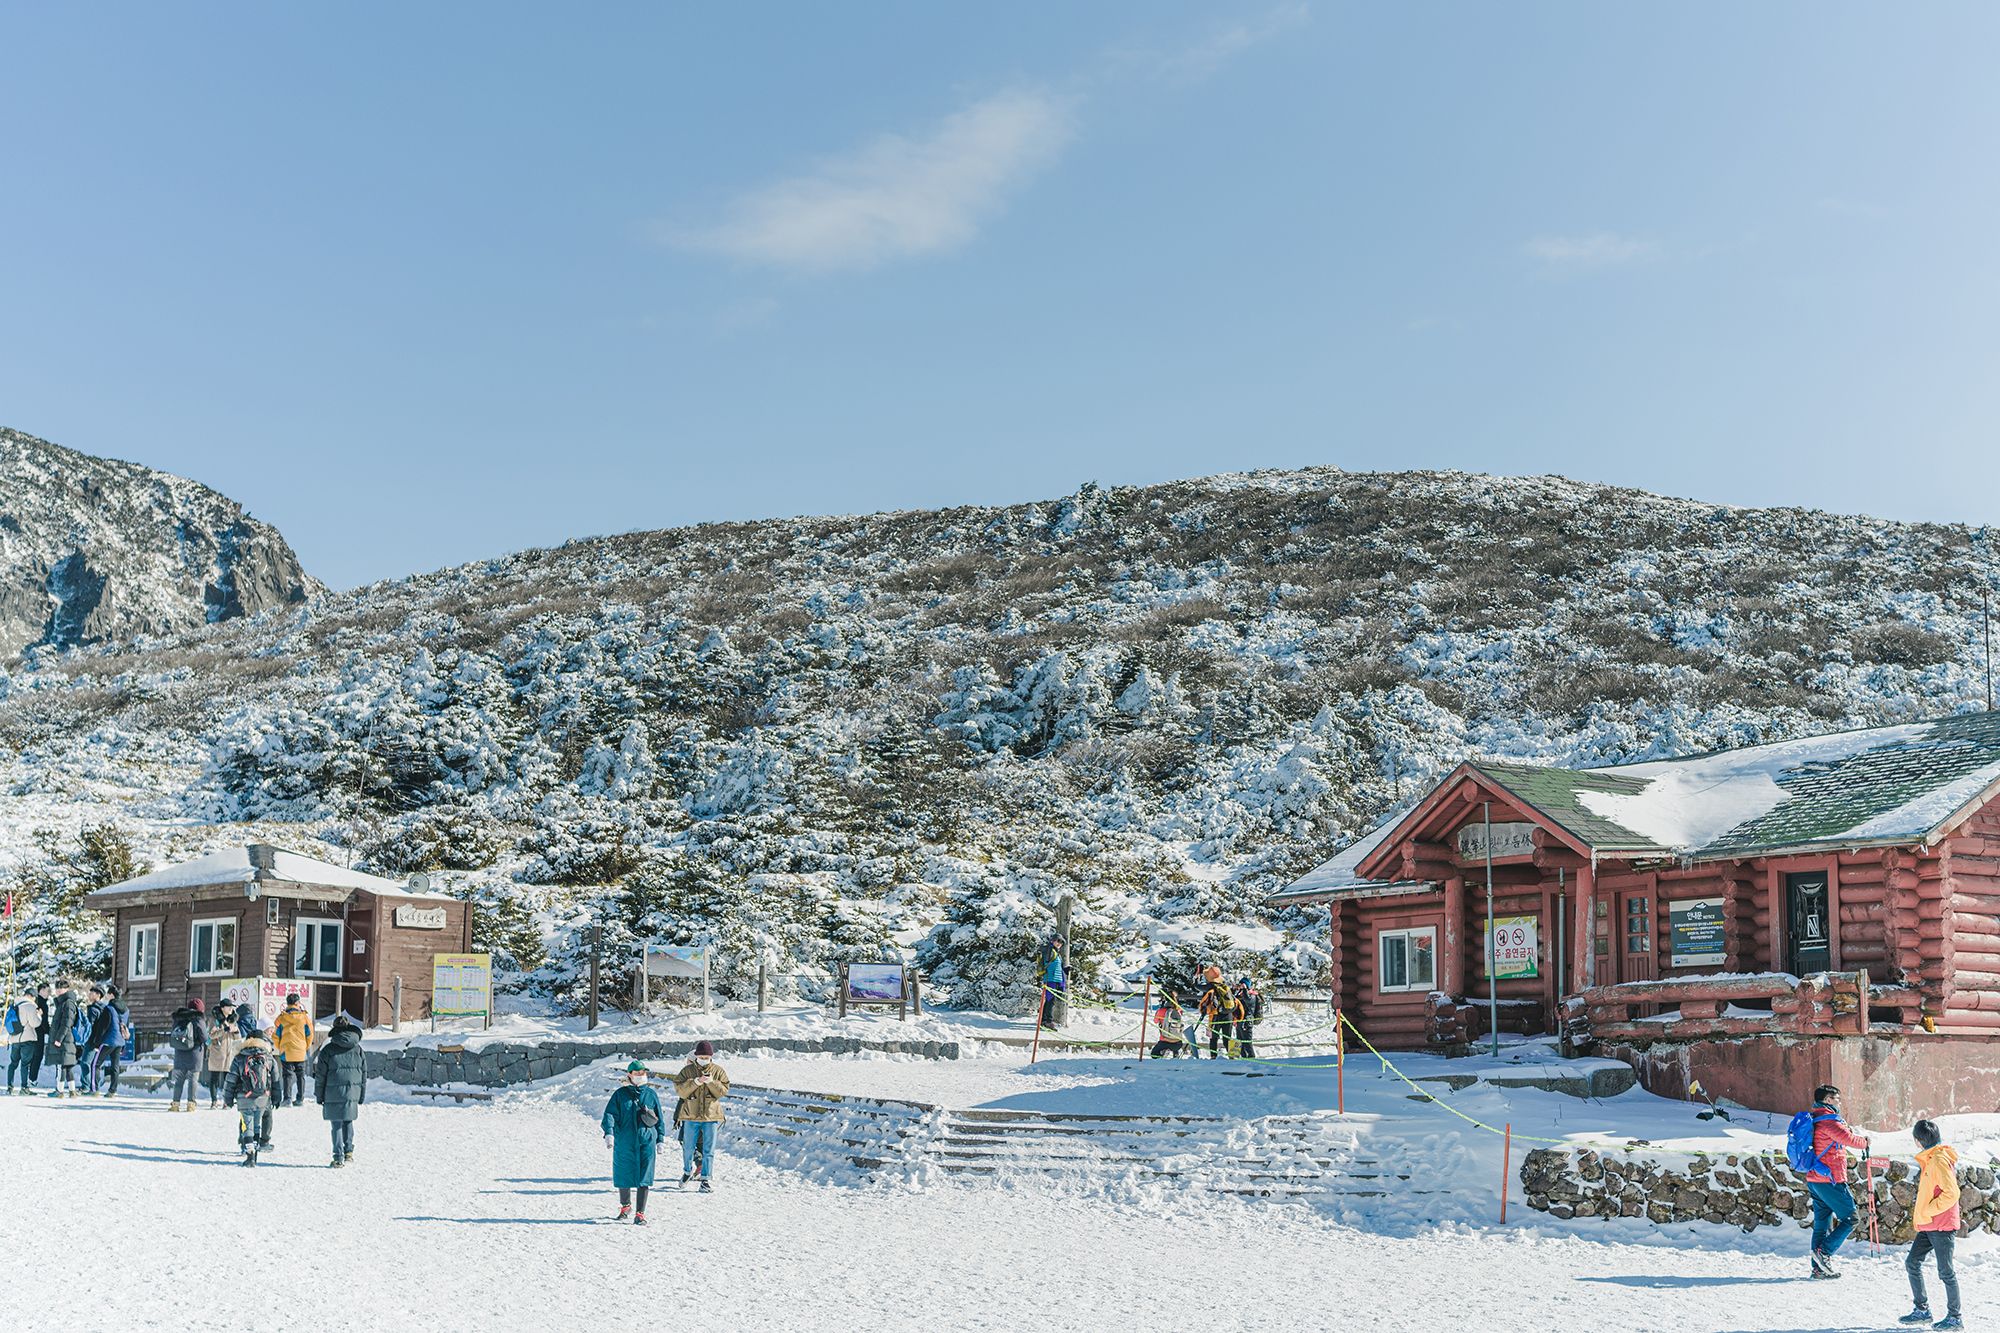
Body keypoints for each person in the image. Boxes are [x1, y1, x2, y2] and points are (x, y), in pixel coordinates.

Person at [1801, 1083, 1870, 1278]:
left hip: (1815, 1179)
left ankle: (1818, 1269)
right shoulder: (1829, 1121)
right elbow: (1849, 1140)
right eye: (1838, 1099)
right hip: (1830, 1180)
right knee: (1851, 1218)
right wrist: (1865, 1142)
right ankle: (1825, 1253)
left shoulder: (1816, 1118)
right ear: (1828, 1100)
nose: (1840, 1102)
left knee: (1822, 1224)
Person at [1900, 1118, 1964, 1328]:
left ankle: (1955, 1318)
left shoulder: (1937, 1160)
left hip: (1942, 1225)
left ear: (1918, 1141)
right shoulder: (1932, 1158)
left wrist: (1928, 1210)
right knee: (1912, 1263)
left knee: (1945, 1271)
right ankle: (1922, 1310)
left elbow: (1951, 1193)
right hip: (1930, 1225)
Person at [602, 1061, 664, 1223]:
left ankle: (640, 1214)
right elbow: (610, 1115)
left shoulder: (651, 1094)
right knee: (624, 1174)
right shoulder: (620, 1094)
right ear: (629, 1074)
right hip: (625, 1142)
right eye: (637, 1073)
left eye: (643, 1072)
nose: (641, 1075)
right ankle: (625, 1206)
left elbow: (659, 1118)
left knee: (645, 1176)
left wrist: (660, 1139)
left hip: (646, 1141)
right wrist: (609, 1132)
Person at [673, 1040, 730, 1192]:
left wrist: (711, 1082)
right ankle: (686, 1172)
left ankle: (705, 1180)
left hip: (711, 1116)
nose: (704, 1059)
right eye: (701, 1056)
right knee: (688, 1147)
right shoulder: (687, 1071)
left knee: (709, 1149)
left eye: (707, 1056)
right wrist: (696, 1082)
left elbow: (723, 1091)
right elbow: (680, 1090)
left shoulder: (718, 1071)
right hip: (691, 1115)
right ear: (696, 1056)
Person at [314, 1014, 366, 1167]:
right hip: (352, 1092)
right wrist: (361, 1095)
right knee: (348, 1121)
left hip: (332, 1092)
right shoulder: (358, 1049)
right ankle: (348, 1152)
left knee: (336, 1124)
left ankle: (338, 1157)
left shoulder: (327, 1050)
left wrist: (319, 1096)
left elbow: (320, 1076)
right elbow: (364, 1074)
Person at [223, 1025, 279, 1166]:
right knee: (257, 1125)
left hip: (244, 1097)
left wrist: (227, 1099)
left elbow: (231, 1080)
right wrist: (277, 1097)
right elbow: (276, 1080)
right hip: (263, 1097)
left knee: (247, 1126)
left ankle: (250, 1157)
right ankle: (256, 1153)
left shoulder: (239, 1057)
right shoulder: (268, 1057)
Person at [270, 993, 314, 1107]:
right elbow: (310, 1034)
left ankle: (287, 1098)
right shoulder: (304, 1018)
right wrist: (305, 1047)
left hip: (286, 1051)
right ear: (297, 1003)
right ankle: (300, 1099)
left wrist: (281, 1047)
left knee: (287, 1075)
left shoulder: (281, 1018)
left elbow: (275, 1035)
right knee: (301, 1075)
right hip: (300, 1051)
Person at [164, 997, 207, 1111]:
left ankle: (175, 1104)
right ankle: (191, 1104)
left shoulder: (179, 1017)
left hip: (180, 1052)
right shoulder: (198, 1019)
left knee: (179, 1079)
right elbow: (204, 1038)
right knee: (193, 1079)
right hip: (194, 1053)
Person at [46, 978, 81, 1097]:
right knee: (67, 1066)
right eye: (57, 990)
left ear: (66, 990)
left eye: (60, 990)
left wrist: (59, 1038)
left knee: (61, 1065)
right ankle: (72, 1091)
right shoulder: (63, 1003)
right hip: (65, 1039)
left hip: (64, 1039)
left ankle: (59, 1091)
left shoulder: (67, 1003)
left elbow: (67, 1022)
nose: (58, 993)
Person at [203, 1001, 242, 1108]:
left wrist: (236, 1032)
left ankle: (226, 1101)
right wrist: (225, 1029)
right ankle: (214, 1100)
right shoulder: (214, 1020)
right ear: (222, 1008)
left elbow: (238, 1038)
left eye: (232, 1007)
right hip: (217, 1052)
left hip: (229, 1053)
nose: (231, 1009)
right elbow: (211, 1034)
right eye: (228, 1007)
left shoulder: (233, 1021)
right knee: (214, 1078)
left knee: (228, 1079)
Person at [1198, 967, 1239, 1059]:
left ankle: (1213, 1056)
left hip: (1216, 1016)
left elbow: (1198, 987)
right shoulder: (1224, 986)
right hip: (1228, 1015)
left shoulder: (1211, 986)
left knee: (1214, 1037)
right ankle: (1232, 1056)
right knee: (1227, 1038)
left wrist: (1197, 978)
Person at [81, 984, 114, 1095]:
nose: (89, 995)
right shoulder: (104, 1008)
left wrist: (88, 1038)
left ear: (98, 995)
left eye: (92, 993)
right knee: (94, 1064)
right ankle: (92, 1086)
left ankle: (86, 1086)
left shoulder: (93, 1009)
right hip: (100, 1040)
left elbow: (91, 1026)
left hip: (92, 1040)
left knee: (86, 1063)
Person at [5, 990, 39, 1092]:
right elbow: (35, 1023)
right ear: (32, 996)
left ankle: (10, 1086)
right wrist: (39, 1015)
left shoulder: (15, 1004)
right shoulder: (30, 1006)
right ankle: (24, 1087)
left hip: (14, 1039)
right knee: (25, 1064)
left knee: (13, 1063)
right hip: (26, 1039)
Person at [100, 984, 130, 1097]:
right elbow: (126, 1027)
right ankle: (112, 1090)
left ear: (111, 995)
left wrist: (98, 1042)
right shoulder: (126, 1010)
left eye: (108, 994)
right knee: (115, 1067)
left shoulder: (109, 1008)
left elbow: (103, 1026)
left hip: (109, 1040)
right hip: (120, 1041)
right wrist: (124, 1045)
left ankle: (94, 1089)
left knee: (96, 1064)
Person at [1232, 976, 1263, 1060]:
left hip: (1247, 1022)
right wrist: (1233, 990)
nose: (1241, 986)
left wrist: (1245, 989)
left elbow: (1247, 1000)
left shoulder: (1252, 995)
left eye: (1243, 984)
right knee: (1239, 1042)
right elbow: (1231, 1000)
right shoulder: (1240, 995)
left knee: (1247, 1044)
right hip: (1239, 1021)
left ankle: (1252, 1059)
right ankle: (1243, 1059)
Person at [1039, 939, 1065, 1029]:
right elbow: (1047, 961)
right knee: (1051, 1001)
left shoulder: (1057, 954)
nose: (1059, 943)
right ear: (1053, 941)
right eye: (1058, 941)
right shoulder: (1050, 950)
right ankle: (1048, 1022)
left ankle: (1044, 1020)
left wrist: (1065, 970)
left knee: (1049, 1000)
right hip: (1050, 979)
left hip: (1055, 979)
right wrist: (1049, 947)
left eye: (1061, 942)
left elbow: (1057, 967)